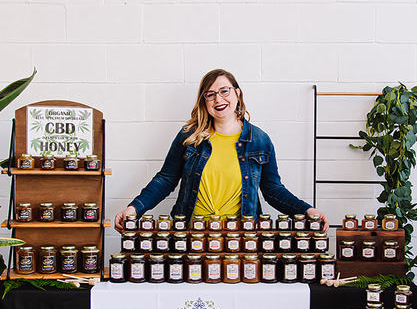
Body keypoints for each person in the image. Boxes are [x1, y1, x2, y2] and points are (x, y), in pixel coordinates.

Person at [115, 69, 327, 230]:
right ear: (204, 101)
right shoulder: (190, 136)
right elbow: (166, 179)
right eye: (210, 94)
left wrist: (306, 210)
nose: (218, 99)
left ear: (237, 93)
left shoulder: (259, 140)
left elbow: (273, 190)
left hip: (241, 237)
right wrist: (135, 208)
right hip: (191, 234)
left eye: (224, 91)